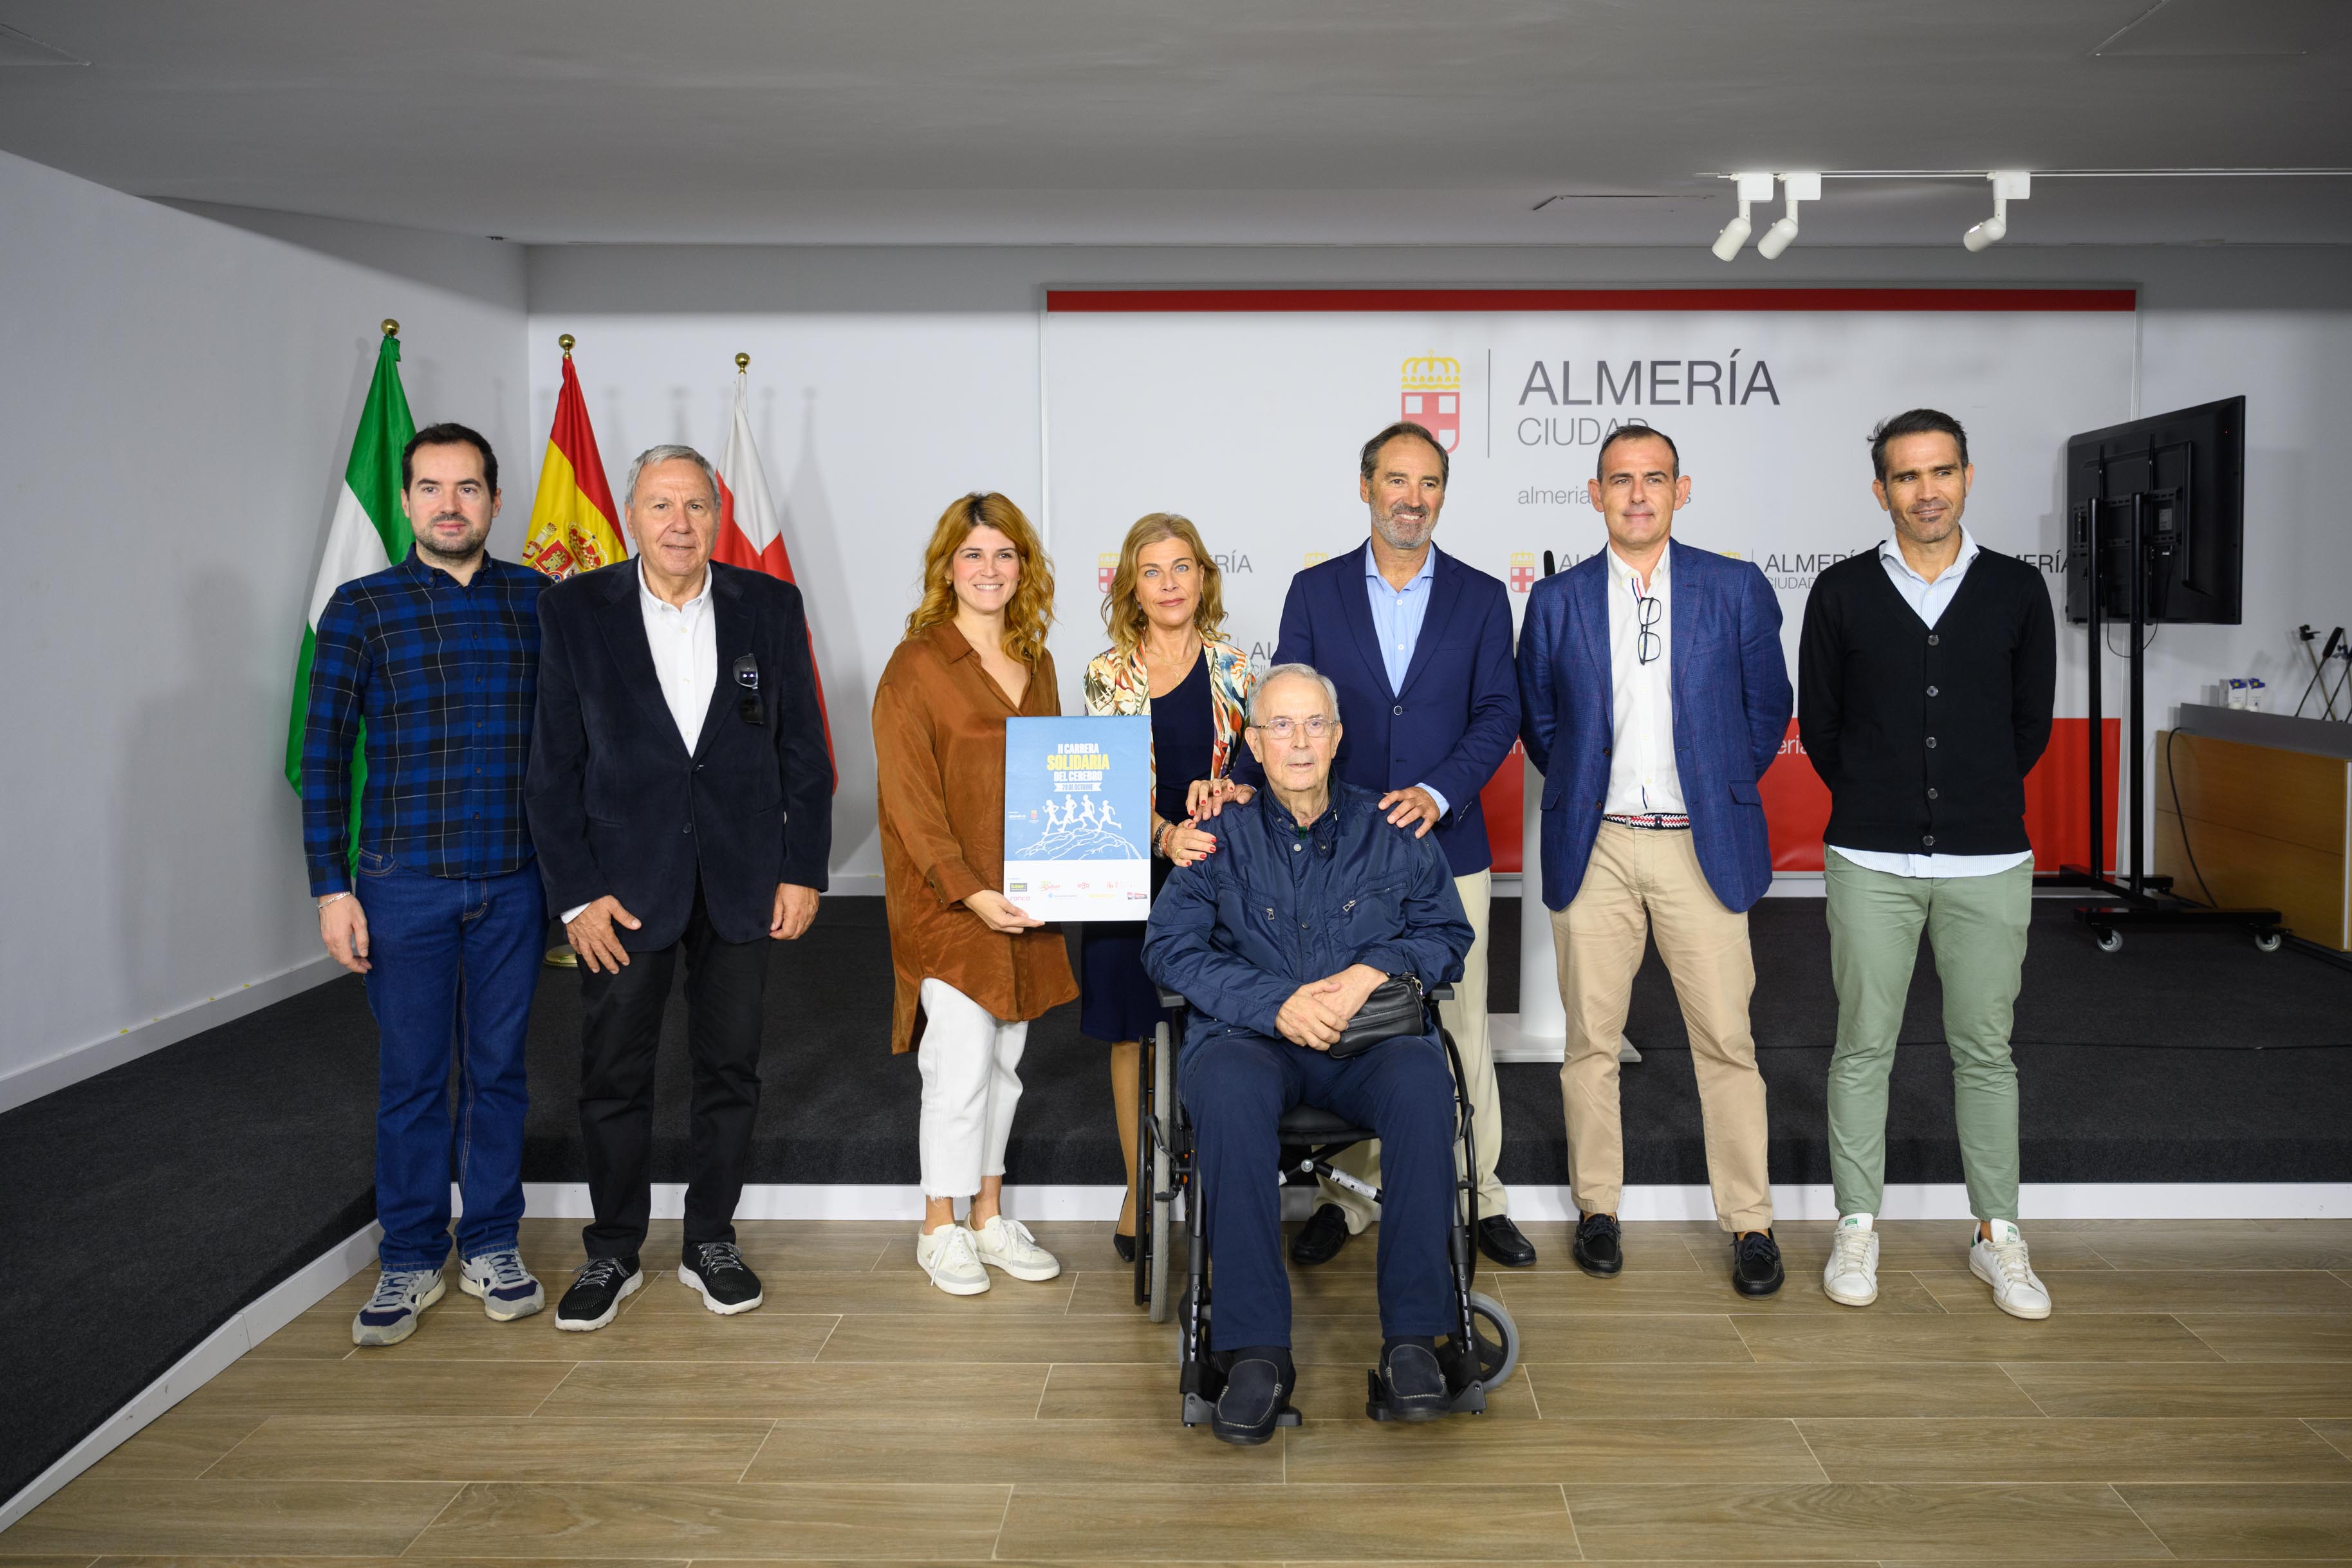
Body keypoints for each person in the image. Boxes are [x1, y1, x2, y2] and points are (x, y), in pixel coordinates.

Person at [524, 443, 832, 1331]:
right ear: (631, 514)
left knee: (728, 1070)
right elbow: (551, 770)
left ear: (715, 514)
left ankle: (710, 1239)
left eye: (695, 506)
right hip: (621, 892)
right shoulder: (573, 611)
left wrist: (802, 868)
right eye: (660, 506)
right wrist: (577, 897)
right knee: (613, 1075)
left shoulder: (768, 606)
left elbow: (803, 756)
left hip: (742, 881)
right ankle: (613, 1249)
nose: (678, 524)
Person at [1144, 664, 1474, 1446]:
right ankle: (1256, 1349)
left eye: (1314, 724)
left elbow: (1446, 936)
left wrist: (1371, 972)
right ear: (1253, 743)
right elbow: (1167, 950)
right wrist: (1274, 1004)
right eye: (1280, 726)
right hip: (1249, 1042)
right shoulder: (1215, 837)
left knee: (1425, 1084)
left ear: (1337, 735)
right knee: (1223, 1092)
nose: (1298, 741)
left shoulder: (1390, 829)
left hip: (1364, 1044)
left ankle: (1412, 1342)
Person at [1242, 421, 1530, 1271]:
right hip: (1341, 853)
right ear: (1364, 486)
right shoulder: (1315, 592)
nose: (1411, 499)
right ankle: (1347, 1198)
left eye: (1428, 483)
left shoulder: (1480, 597)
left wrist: (1439, 790)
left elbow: (1497, 714)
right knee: (1359, 1020)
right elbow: (1291, 710)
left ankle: (1477, 1197)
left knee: (1459, 1020)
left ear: (1442, 493)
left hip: (1450, 843)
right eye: (1395, 481)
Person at [1517, 423, 1792, 1296]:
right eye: (1619, 480)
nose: (1636, 495)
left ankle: (1748, 1222)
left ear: (1680, 490)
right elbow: (1542, 726)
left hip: (1697, 844)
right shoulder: (1555, 601)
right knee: (1589, 1044)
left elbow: (1762, 712)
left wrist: (1710, 788)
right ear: (1593, 494)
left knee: (1725, 1042)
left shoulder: (1733, 588)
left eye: (1653, 479)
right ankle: (1596, 1207)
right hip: (1592, 846)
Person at [1799, 408, 2058, 1320]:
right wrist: (1885, 799)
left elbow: (2027, 726)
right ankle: (1856, 1224)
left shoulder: (2017, 592)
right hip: (1868, 854)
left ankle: (1997, 1236)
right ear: (1880, 490)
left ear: (1965, 477)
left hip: (1988, 859)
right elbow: (1823, 731)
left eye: (1939, 472)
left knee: (1983, 1052)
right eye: (1905, 477)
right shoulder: (1837, 593)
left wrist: (1965, 798)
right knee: (1861, 1047)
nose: (1925, 491)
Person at [303, 423, 550, 1347]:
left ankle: (491, 1242)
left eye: (469, 488)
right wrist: (332, 886)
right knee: (411, 1079)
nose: (451, 504)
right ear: (405, 503)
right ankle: (409, 1255)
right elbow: (323, 756)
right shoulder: (360, 608)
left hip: (513, 884)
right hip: (400, 886)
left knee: (497, 1075)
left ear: (494, 500)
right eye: (432, 488)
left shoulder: (538, 602)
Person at [873, 492, 1079, 1296]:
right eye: (972, 555)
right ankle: (938, 1225)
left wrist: (1063, 874)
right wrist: (969, 892)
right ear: (946, 568)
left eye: (1004, 554)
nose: (988, 569)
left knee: (1004, 1065)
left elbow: (1057, 778)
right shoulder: (917, 662)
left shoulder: (1038, 656)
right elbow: (908, 802)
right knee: (956, 1064)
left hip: (1023, 899)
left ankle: (988, 1217)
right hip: (948, 902)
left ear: (1022, 567)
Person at [1080, 513, 1257, 1260]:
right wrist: (1162, 836)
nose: (1168, 583)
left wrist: (1237, 794)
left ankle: (1215, 1183)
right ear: (1131, 585)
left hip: (1215, 871)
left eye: (1181, 567)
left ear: (1202, 577)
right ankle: (1137, 1184)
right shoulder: (1105, 673)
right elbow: (1103, 778)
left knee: (1212, 1028)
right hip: (1127, 865)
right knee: (1130, 1030)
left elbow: (1256, 774)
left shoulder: (1235, 667)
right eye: (1151, 571)